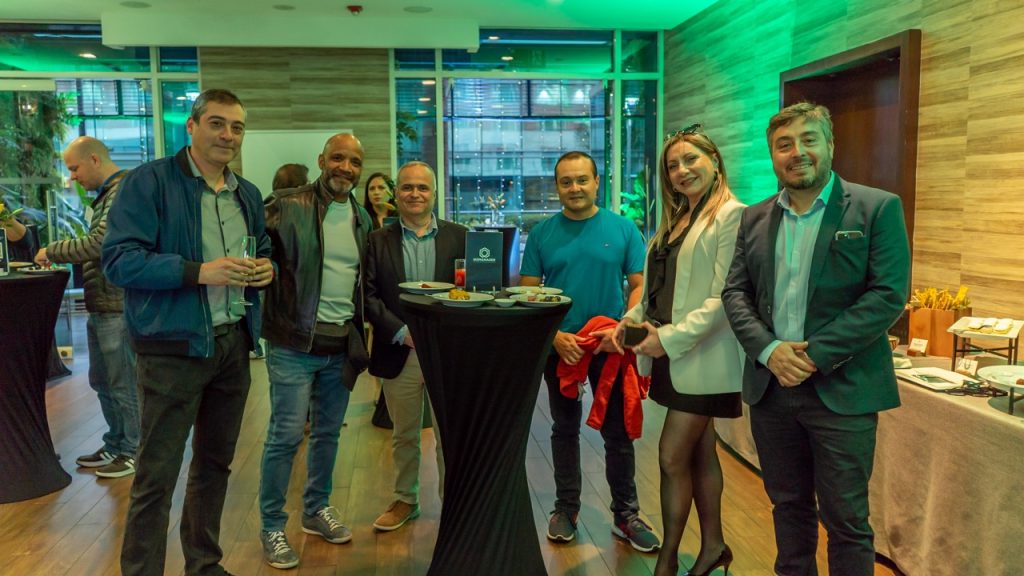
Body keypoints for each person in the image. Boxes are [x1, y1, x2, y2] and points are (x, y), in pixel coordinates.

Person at [721, 102, 910, 576]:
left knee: (847, 520)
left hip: (843, 390)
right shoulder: (754, 217)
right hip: (772, 390)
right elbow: (735, 293)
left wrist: (812, 357)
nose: (797, 152)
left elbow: (888, 295)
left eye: (809, 140)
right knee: (787, 506)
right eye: (784, 145)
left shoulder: (876, 208)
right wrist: (769, 351)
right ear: (773, 156)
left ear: (830, 145)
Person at [102, 88, 274, 576]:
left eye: (237, 127)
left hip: (232, 345)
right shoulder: (149, 182)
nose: (228, 135)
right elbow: (119, 261)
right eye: (217, 123)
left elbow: (261, 247)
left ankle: (203, 564)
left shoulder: (247, 193)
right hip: (171, 350)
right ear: (192, 126)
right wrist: (199, 272)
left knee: (214, 466)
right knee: (156, 476)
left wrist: (268, 268)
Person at [607, 125, 745, 576]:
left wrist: (665, 340)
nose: (682, 170)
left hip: (704, 356)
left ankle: (667, 561)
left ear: (714, 161)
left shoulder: (732, 216)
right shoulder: (676, 220)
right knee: (700, 452)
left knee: (670, 456)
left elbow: (724, 298)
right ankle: (714, 547)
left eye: (691, 160)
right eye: (673, 165)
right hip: (672, 355)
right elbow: (657, 290)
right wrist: (629, 322)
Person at [519, 150, 660, 553]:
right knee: (563, 428)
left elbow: (639, 285)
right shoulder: (542, 233)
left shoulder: (623, 229)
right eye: (566, 181)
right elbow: (529, 293)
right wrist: (553, 337)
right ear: (557, 187)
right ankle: (566, 508)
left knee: (618, 432)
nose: (575, 188)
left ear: (597, 182)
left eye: (582, 179)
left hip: (610, 344)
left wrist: (623, 328)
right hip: (562, 347)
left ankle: (626, 514)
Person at [257, 133, 372, 570]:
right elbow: (253, 249)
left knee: (328, 433)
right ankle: (272, 525)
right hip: (292, 343)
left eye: (354, 162)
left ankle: (315, 509)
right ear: (322, 160)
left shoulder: (363, 218)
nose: (346, 168)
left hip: (340, 345)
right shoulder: (286, 205)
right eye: (338, 158)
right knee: (285, 436)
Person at [364, 161, 466, 532]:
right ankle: (405, 499)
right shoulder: (376, 240)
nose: (415, 194)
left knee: (449, 436)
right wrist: (401, 332)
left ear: (434, 193)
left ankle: (453, 505)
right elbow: (368, 296)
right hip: (399, 350)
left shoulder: (461, 237)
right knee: (404, 434)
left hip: (448, 354)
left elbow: (474, 292)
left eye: (423, 187)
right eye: (407, 187)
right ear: (397, 193)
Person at [35, 136, 139, 479]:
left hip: (117, 305)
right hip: (103, 304)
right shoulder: (109, 194)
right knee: (103, 381)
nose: (73, 177)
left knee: (122, 383)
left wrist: (52, 250)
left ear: (94, 159)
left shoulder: (122, 192)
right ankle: (116, 443)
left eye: (74, 168)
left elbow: (99, 243)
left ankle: (133, 450)